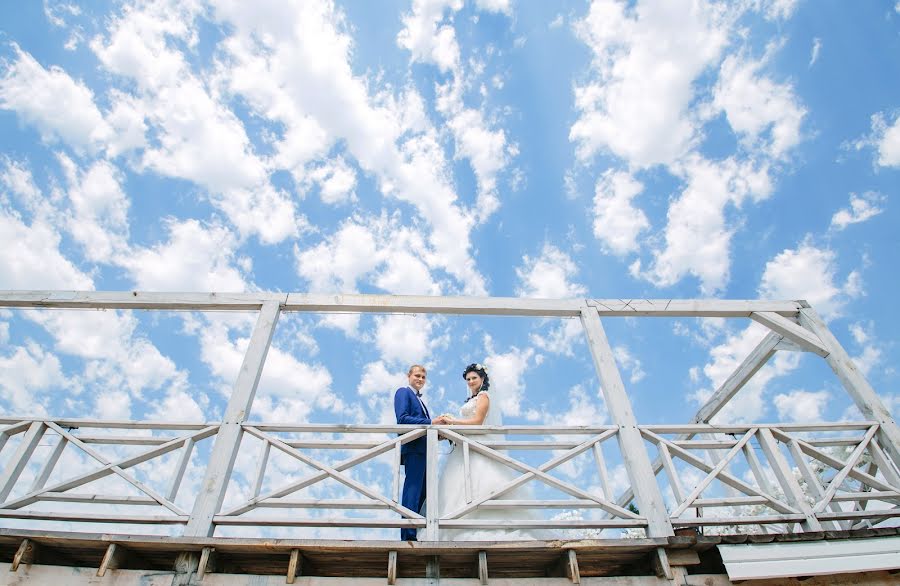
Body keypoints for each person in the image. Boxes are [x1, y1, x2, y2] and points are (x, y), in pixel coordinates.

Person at [421, 362, 538, 541]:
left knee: (482, 484)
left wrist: (451, 422)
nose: (470, 381)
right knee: (459, 488)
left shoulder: (484, 396)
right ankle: (459, 531)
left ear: (482, 378)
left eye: (474, 378)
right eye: (468, 379)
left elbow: (478, 422)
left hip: (478, 445)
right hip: (465, 445)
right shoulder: (471, 399)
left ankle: (488, 528)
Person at [393, 364, 446, 541]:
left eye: (423, 377)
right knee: (412, 492)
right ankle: (408, 535)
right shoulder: (403, 392)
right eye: (417, 376)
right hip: (414, 450)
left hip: (425, 452)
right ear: (408, 376)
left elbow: (423, 426)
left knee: (424, 496)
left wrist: (438, 434)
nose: (420, 379)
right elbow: (402, 419)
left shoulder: (421, 402)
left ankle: (421, 533)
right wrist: (432, 422)